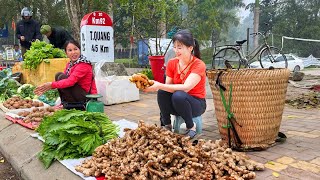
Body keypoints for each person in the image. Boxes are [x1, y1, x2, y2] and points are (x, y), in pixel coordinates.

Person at [144, 29, 207, 138]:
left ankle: (191, 126)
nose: (176, 50)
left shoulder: (199, 65)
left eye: (180, 47)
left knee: (179, 95)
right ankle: (166, 124)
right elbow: (168, 86)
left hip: (196, 104)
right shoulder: (172, 63)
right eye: (175, 47)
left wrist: (159, 84)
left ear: (190, 48)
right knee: (163, 92)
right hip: (177, 103)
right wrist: (155, 86)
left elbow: (186, 88)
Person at [34, 40, 97, 109]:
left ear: (80, 50)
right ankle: (65, 103)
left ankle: (73, 105)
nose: (73, 52)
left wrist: (52, 85)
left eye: (75, 49)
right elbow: (64, 83)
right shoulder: (70, 64)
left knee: (62, 77)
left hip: (86, 97)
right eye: (70, 50)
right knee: (58, 75)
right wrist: (50, 85)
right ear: (66, 53)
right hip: (78, 93)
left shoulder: (83, 65)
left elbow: (70, 81)